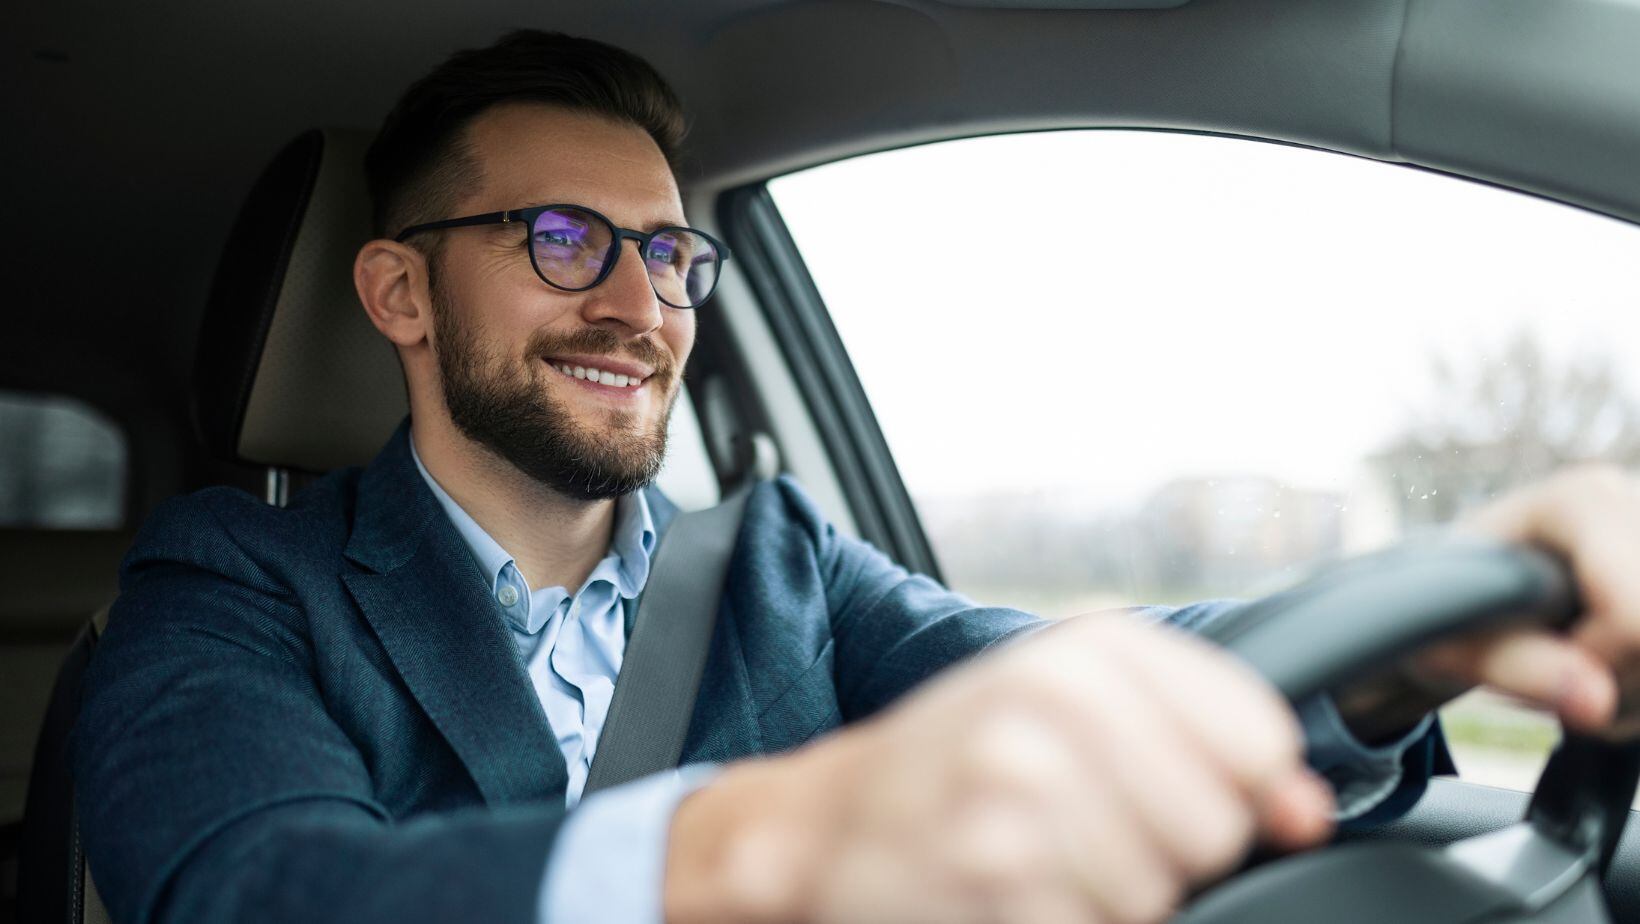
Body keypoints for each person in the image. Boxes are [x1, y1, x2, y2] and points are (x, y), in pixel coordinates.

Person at [71, 29, 1640, 924]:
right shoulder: (234, 583)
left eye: (671, 255)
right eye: (562, 241)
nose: (640, 307)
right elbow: (250, 889)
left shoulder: (780, 566)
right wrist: (763, 849)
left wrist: (1406, 635)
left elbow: (1067, 680)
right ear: (402, 294)